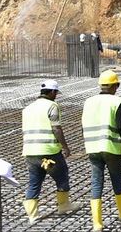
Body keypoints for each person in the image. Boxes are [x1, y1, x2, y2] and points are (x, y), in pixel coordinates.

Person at [81, 69, 121, 232]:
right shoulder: (117, 101)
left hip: (92, 147)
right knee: (116, 178)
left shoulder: (88, 101)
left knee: (96, 181)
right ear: (116, 86)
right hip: (111, 147)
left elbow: (83, 124)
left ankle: (97, 222)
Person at [21, 79, 83, 222]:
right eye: (56, 93)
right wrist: (65, 147)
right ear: (53, 92)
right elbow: (56, 128)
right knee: (61, 175)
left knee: (34, 181)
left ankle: (32, 215)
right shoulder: (52, 106)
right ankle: (64, 205)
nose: (56, 96)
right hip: (48, 151)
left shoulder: (28, 108)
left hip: (30, 152)